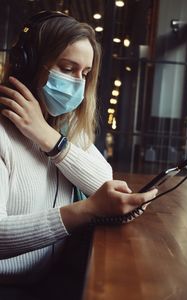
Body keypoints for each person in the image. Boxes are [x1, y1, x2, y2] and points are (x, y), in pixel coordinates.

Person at [0, 10, 157, 299]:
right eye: (68, 67)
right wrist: (86, 210)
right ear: (28, 65)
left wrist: (51, 140)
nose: (77, 82)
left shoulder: (63, 128)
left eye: (84, 73)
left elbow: (102, 180)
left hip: (46, 275)